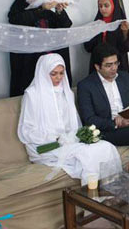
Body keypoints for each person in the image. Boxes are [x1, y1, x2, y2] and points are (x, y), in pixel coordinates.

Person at [17, 53, 122, 185]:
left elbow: (75, 124)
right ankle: (93, 193)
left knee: (106, 147)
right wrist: (54, 138)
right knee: (88, 155)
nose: (58, 77)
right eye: (53, 74)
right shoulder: (32, 95)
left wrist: (77, 136)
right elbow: (27, 130)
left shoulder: (66, 92)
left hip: (70, 140)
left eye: (61, 73)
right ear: (43, 73)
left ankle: (112, 188)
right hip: (45, 145)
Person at [8, 0, 72, 97]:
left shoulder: (47, 13)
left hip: (51, 63)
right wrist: (41, 9)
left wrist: (59, 10)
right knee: (32, 93)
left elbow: (66, 25)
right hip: (30, 62)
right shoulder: (18, 13)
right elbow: (18, 21)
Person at [84, 0, 129, 74]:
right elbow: (88, 48)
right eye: (100, 6)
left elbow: (127, 48)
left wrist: (125, 32)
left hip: (117, 66)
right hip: (99, 66)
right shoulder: (96, 24)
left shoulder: (121, 24)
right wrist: (91, 33)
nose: (102, 9)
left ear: (113, 6)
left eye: (106, 6)